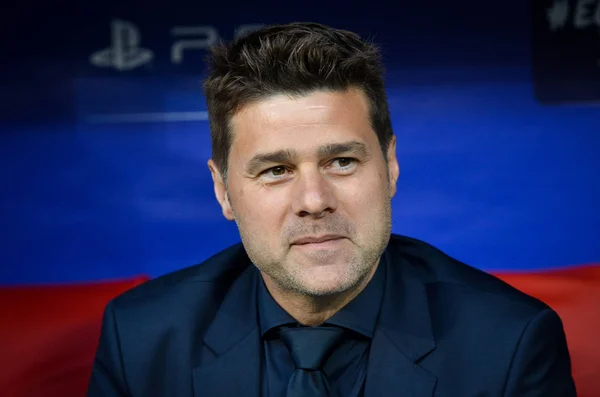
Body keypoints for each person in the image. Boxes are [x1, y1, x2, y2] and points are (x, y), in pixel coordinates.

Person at [87, 22, 577, 397]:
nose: (314, 201)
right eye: (276, 170)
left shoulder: (510, 343)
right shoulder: (141, 339)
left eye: (342, 161)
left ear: (390, 166)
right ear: (223, 191)